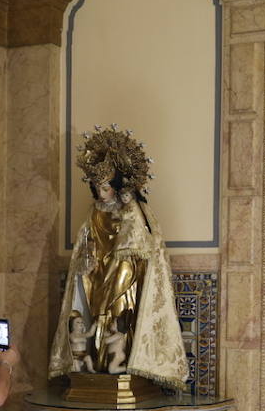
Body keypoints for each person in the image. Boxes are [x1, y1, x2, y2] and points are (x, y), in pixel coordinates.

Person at [48, 126, 188, 390]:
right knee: (94, 312)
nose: (102, 194)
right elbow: (86, 243)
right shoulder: (95, 213)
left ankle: (120, 364)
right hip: (98, 271)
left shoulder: (135, 209)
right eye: (97, 187)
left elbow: (140, 246)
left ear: (117, 185)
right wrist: (87, 262)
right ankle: (97, 363)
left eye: (106, 188)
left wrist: (121, 260)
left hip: (125, 268)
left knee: (119, 313)